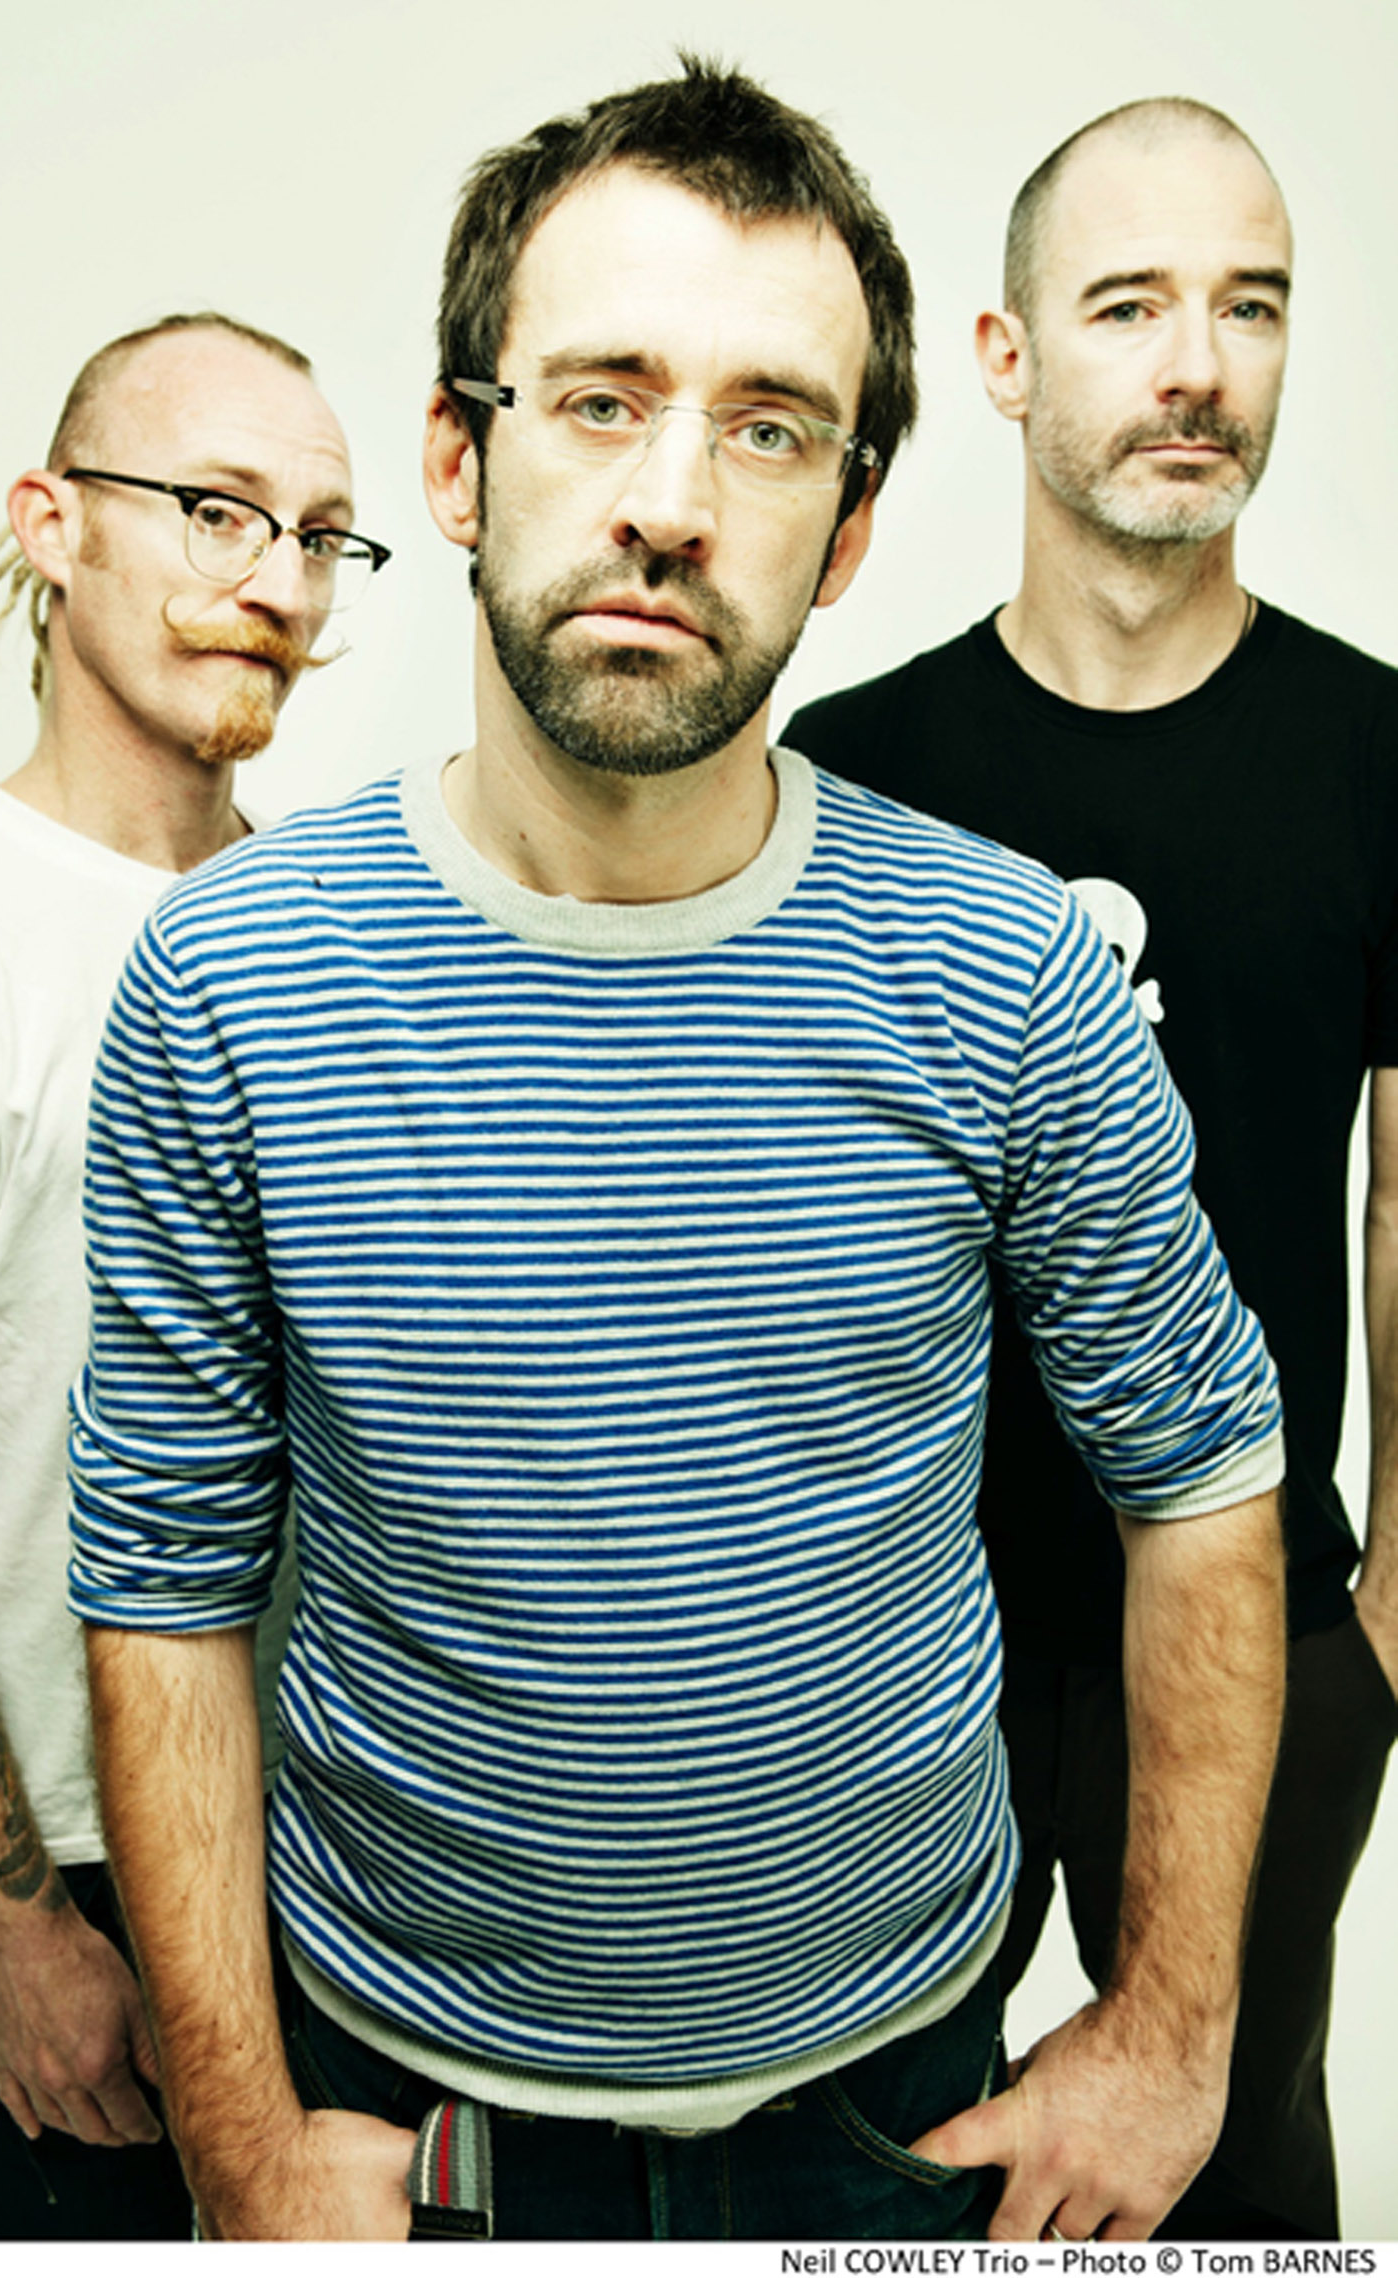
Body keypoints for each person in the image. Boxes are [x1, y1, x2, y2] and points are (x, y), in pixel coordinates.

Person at [68, 62, 1287, 2246]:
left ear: (850, 527)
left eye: (769, 426)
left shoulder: (1007, 966)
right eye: (601, 399)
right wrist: (238, 2137)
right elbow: (162, 1575)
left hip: (898, 2094)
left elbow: (1201, 1481)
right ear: (459, 458)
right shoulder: (230, 978)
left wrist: (1175, 2033)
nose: (669, 500)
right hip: (401, 2107)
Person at [784, 97, 1398, 2241]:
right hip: (902, 1622)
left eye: (1250, 306)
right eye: (1130, 305)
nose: (1196, 365)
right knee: (869, 2174)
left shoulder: (1378, 756)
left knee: (1232, 2170)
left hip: (1254, 1621)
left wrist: (1394, 1604)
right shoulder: (850, 775)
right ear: (1006, 353)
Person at [0, 309, 390, 2241]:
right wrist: (16, 1923)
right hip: (86, 1875)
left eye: (320, 535)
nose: (277, 582)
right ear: (54, 522)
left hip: (361, 1854)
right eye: (216, 510)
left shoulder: (334, 928)